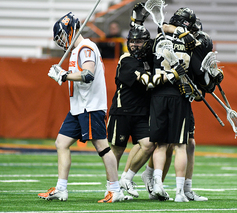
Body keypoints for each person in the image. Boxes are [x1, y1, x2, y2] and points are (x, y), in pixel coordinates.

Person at [37, 12, 125, 203]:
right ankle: (61, 189)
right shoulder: (77, 49)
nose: (60, 40)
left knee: (102, 147)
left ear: (71, 30)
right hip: (78, 107)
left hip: (90, 106)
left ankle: (115, 189)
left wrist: (64, 75)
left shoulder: (86, 47)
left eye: (62, 34)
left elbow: (88, 74)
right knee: (61, 143)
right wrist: (64, 73)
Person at [148, 7, 199, 202]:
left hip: (159, 93)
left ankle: (158, 185)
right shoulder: (191, 43)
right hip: (179, 94)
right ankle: (179, 192)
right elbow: (196, 70)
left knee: (160, 145)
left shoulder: (160, 39)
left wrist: (170, 30)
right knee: (179, 145)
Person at [107, 24, 155, 198]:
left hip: (142, 113)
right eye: (132, 41)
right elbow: (145, 80)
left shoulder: (150, 59)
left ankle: (127, 178)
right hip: (122, 111)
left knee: (149, 145)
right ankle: (111, 189)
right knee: (116, 151)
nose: (135, 44)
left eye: (139, 41)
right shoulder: (126, 59)